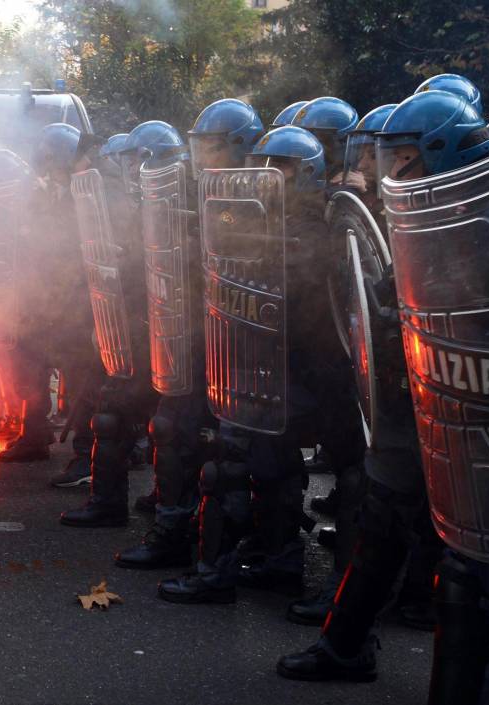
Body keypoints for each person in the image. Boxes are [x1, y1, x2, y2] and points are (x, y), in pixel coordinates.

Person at [279, 90, 489, 694]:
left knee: (467, 575)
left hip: (473, 411)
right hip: (417, 398)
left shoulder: (480, 213)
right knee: (381, 521)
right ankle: (344, 646)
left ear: (437, 152)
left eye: (396, 157)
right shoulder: (422, 212)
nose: (384, 171)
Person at [160, 126, 365, 603]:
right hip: (278, 367)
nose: (270, 175)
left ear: (308, 172)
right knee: (273, 465)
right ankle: (280, 561)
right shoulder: (259, 219)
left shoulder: (322, 227)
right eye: (265, 165)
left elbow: (294, 286)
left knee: (232, 463)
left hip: (319, 373)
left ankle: (218, 575)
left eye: (284, 167)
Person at [115, 101, 263, 569]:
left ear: (240, 148)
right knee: (174, 428)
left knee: (232, 456)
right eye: (200, 145)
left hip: (239, 344)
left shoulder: (256, 200)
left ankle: (229, 550)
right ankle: (177, 530)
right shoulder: (188, 192)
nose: (203, 156)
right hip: (193, 336)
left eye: (214, 146)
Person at [59, 122, 175, 528]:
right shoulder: (123, 207)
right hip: (137, 329)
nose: (129, 167)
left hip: (175, 334)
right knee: (111, 414)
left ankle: (171, 510)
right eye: (124, 159)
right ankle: (110, 502)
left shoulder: (183, 208)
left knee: (173, 425)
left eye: (137, 158)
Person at [1, 123, 100, 474]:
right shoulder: (45, 194)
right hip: (45, 296)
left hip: (76, 301)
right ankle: (34, 436)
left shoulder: (88, 196)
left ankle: (87, 456)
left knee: (82, 376)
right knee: (28, 361)